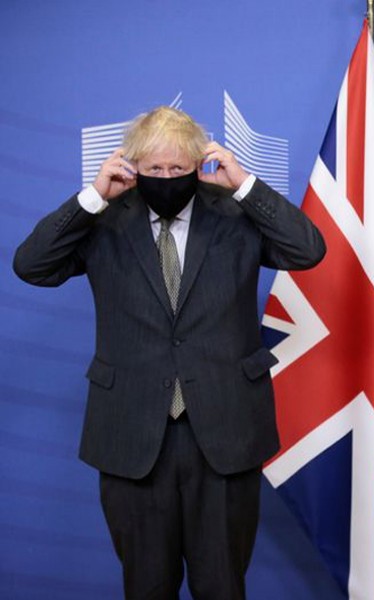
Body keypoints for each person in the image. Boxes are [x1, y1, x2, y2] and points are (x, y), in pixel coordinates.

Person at [13, 106, 326, 599]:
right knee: (146, 587)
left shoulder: (232, 213)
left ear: (198, 164)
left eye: (177, 169)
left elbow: (308, 250)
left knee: (222, 585)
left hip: (225, 431)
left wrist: (243, 184)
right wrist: (93, 196)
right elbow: (32, 266)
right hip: (132, 434)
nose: (165, 178)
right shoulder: (104, 219)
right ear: (132, 165)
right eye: (153, 169)